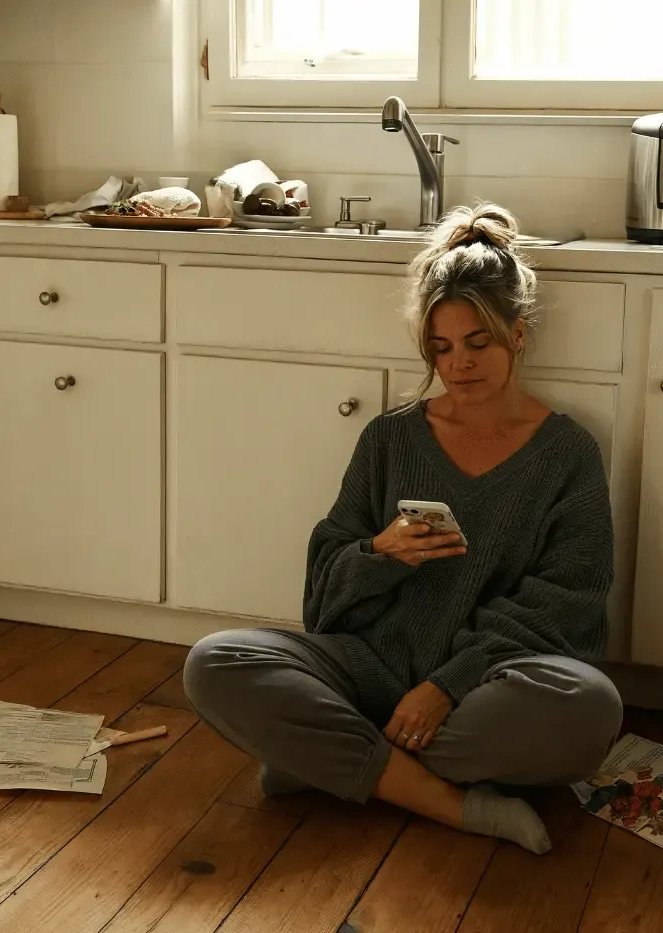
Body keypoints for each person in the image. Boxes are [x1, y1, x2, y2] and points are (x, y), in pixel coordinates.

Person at [184, 203, 622, 854]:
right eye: (441, 348)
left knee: (590, 706)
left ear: (518, 335)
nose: (459, 365)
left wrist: (445, 686)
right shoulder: (389, 438)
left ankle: (331, 757)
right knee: (215, 661)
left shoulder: (568, 455)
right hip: (367, 664)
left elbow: (567, 606)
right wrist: (378, 552)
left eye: (478, 343)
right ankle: (450, 802)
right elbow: (324, 592)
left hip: (483, 686)